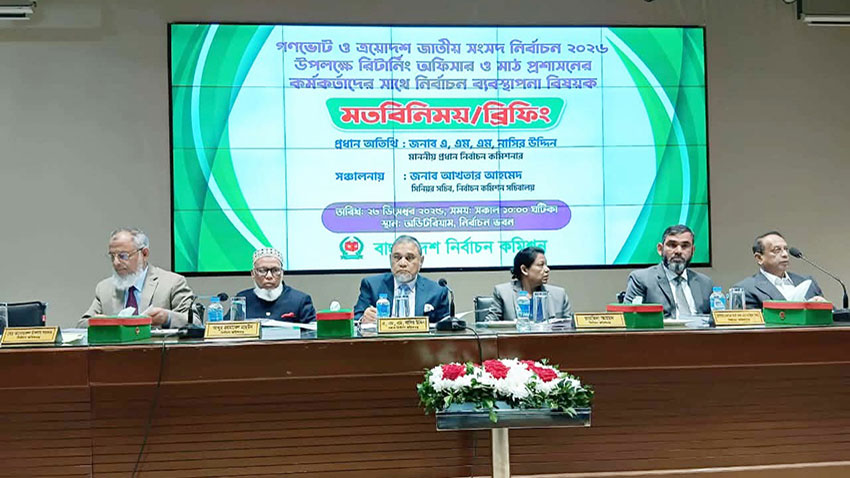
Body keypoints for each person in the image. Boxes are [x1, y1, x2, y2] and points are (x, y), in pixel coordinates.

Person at [80, 227, 193, 328]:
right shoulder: (104, 289)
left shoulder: (172, 283)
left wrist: (167, 318)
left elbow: (195, 323)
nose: (116, 262)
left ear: (144, 254)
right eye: (112, 256)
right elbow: (81, 325)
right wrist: (99, 323)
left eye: (123, 256)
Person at [353, 235, 449, 324]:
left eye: (409, 258)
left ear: (421, 261)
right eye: (397, 257)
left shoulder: (437, 291)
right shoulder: (372, 285)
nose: (402, 263)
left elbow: (445, 326)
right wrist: (363, 318)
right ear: (390, 259)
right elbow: (356, 318)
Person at [624, 224, 714, 318]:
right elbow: (630, 318)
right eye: (672, 245)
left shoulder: (705, 283)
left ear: (693, 251)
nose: (678, 251)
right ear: (660, 249)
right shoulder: (641, 279)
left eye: (685, 246)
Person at [733, 231, 825, 309]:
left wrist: (824, 308)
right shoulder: (746, 289)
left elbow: (830, 317)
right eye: (777, 250)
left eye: (785, 249)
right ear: (759, 258)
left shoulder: (807, 282)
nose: (785, 254)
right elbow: (755, 323)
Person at [485, 246, 573, 321]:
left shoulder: (559, 295)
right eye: (541, 265)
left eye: (546, 265)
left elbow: (570, 328)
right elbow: (488, 326)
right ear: (524, 270)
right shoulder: (503, 293)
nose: (547, 269)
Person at [235, 247, 316, 322]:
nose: (269, 276)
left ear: (282, 273)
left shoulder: (299, 301)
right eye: (262, 270)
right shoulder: (242, 301)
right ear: (253, 274)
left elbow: (312, 330)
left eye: (275, 270)